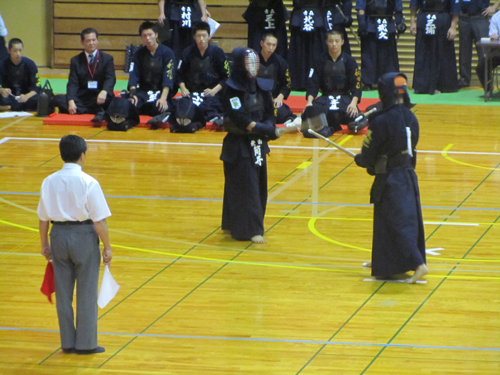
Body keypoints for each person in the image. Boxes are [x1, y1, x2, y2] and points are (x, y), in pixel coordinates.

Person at [37, 135, 112, 354]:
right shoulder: (89, 182)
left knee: (63, 293)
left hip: (58, 235)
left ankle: (67, 342)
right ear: (82, 155)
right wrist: (107, 247)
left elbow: (43, 218)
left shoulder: (48, 181)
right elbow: (99, 220)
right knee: (87, 292)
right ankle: (86, 344)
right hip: (84, 236)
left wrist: (44, 244)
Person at [354, 72, 428, 284]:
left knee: (397, 222)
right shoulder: (411, 117)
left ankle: (419, 264)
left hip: (390, 179)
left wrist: (363, 161)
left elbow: (368, 154)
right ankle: (383, 261)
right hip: (408, 176)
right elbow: (411, 148)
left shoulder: (381, 120)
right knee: (396, 220)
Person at [220, 47, 279, 244]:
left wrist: (270, 126)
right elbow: (240, 118)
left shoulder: (262, 87)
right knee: (246, 188)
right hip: (238, 145)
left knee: (258, 185)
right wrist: (263, 128)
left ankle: (234, 222)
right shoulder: (231, 90)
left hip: (258, 145)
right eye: (248, 63)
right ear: (239, 65)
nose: (252, 67)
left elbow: (270, 112)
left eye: (255, 62)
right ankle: (249, 229)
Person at [302, 28, 362, 136]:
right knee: (310, 113)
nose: (334, 44)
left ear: (342, 42)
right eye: (331, 41)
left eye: (337, 41)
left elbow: (356, 84)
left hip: (344, 98)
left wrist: (353, 103)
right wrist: (309, 102)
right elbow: (313, 84)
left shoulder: (350, 61)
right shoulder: (319, 60)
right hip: (326, 97)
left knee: (355, 116)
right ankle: (326, 128)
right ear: (326, 42)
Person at [51, 28, 115, 122]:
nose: (91, 43)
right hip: (83, 97)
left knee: (113, 100)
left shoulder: (107, 59)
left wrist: (104, 91)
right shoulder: (75, 60)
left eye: (94, 40)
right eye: (88, 40)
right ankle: (98, 111)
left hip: (99, 96)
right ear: (82, 42)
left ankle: (85, 110)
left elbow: (110, 78)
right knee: (57, 99)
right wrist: (71, 101)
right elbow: (73, 82)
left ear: (97, 41)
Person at [175, 21, 230, 131]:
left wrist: (214, 91)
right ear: (194, 37)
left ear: (209, 36)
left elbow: (226, 77)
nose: (201, 39)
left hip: (211, 94)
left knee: (210, 106)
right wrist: (183, 89)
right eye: (198, 36)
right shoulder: (187, 52)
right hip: (193, 93)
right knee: (182, 106)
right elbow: (179, 75)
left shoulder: (217, 52)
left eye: (204, 36)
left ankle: (212, 119)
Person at [127, 21, 176, 129]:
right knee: (129, 105)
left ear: (156, 35)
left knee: (161, 106)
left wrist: (163, 98)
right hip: (144, 91)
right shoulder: (138, 54)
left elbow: (168, 76)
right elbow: (133, 75)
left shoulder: (168, 53)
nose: (148, 38)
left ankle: (163, 115)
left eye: (150, 35)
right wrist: (132, 94)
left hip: (160, 91)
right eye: (144, 36)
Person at [410, 0, 460, 94]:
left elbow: (455, 8)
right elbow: (414, 5)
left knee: (443, 53)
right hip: (424, 18)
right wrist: (412, 22)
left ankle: (443, 85)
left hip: (442, 19)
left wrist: (453, 27)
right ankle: (421, 86)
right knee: (422, 54)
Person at [356, 0, 405, 90]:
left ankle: (389, 80)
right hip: (370, 24)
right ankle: (368, 82)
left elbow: (398, 9)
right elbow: (361, 8)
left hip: (388, 23)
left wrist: (399, 23)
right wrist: (361, 23)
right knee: (369, 55)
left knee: (388, 56)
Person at [458, 0, 500, 88]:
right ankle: (464, 80)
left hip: (480, 16)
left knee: (484, 52)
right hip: (463, 16)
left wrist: (495, 6)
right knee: (464, 51)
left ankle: (486, 83)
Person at [257, 33, 297, 125]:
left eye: (273, 45)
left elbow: (287, 84)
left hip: (273, 98)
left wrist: (280, 97)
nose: (270, 48)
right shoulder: (254, 59)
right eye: (268, 44)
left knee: (280, 113)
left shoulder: (281, 62)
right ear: (262, 43)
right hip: (256, 98)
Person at [288, 0, 326, 91]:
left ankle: (317, 82)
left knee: (316, 51)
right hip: (299, 14)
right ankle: (298, 82)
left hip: (317, 14)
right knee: (299, 52)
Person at [0, 38, 41, 112]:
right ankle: (16, 106)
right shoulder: (2, 65)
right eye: (15, 51)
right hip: (10, 96)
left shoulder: (30, 64)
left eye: (20, 50)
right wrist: (2, 90)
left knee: (40, 98)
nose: (18, 54)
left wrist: (27, 96)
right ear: (8, 51)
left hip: (26, 96)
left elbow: (36, 88)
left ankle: (8, 107)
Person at [476, 9, 500, 94]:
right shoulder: (496, 16)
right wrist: (493, 36)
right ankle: (489, 89)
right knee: (481, 67)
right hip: (497, 51)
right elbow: (493, 34)